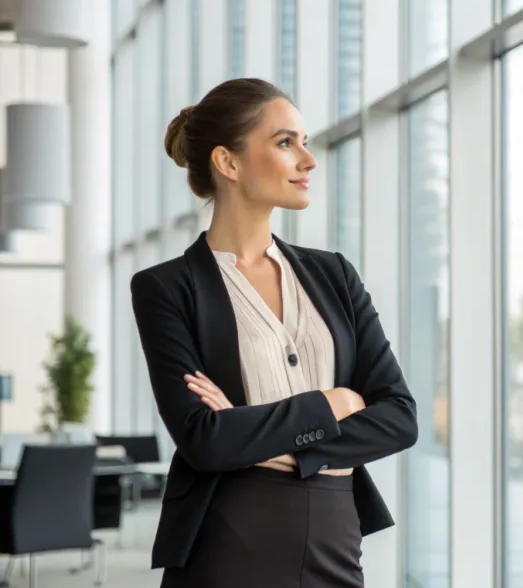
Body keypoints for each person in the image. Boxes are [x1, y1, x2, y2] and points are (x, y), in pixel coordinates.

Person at [130, 78, 418, 588]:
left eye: (303, 142)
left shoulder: (335, 276)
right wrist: (333, 403)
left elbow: (398, 418)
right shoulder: (167, 288)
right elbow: (205, 442)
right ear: (229, 163)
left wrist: (272, 442)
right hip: (229, 539)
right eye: (286, 142)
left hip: (334, 536)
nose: (308, 159)